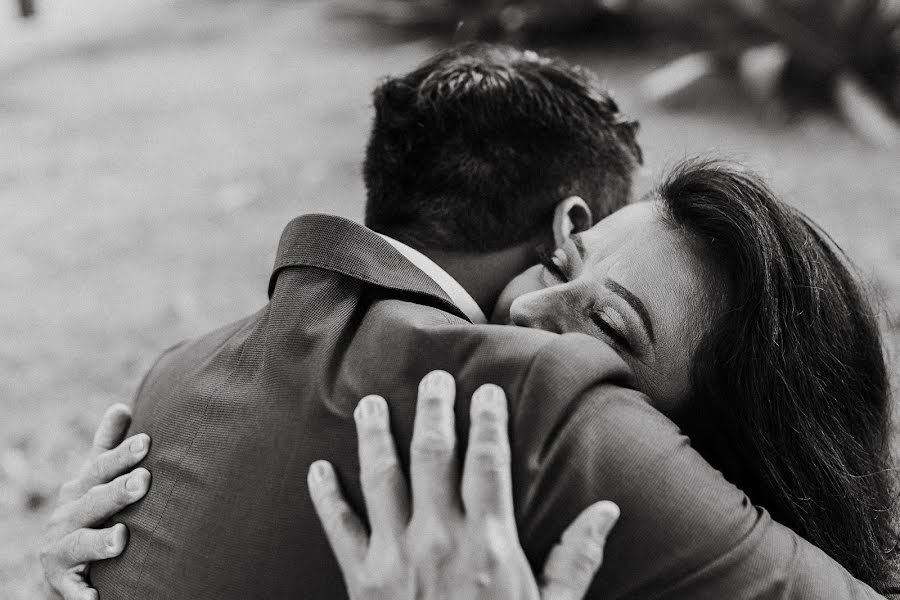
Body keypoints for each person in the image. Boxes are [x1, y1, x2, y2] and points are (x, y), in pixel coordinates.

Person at [41, 44, 895, 599]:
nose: (527, 307)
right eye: (569, 259)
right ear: (564, 223)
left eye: (610, 319)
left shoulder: (172, 380)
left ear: (709, 448)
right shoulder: (530, 409)